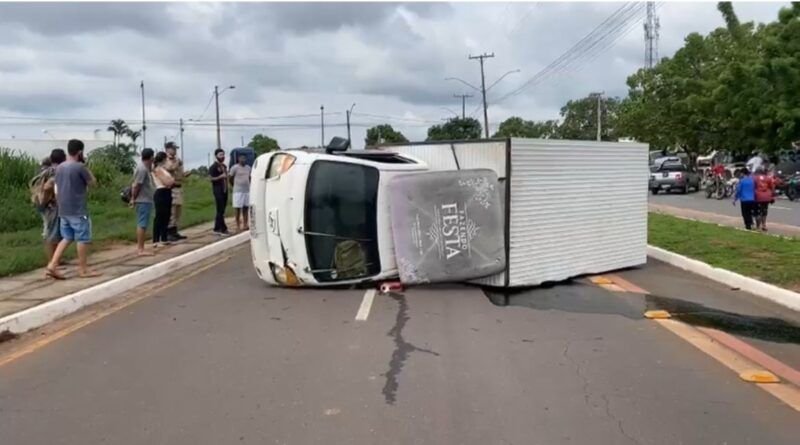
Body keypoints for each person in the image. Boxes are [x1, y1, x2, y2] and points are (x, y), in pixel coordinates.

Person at [45, 139, 100, 279]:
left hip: (63, 209)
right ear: (80, 152)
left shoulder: (59, 168)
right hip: (78, 209)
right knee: (83, 239)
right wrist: (86, 166)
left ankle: (52, 264)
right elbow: (93, 183)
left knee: (67, 237)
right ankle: (83, 270)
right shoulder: (80, 167)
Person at [30, 148, 65, 263]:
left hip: (43, 204)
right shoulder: (56, 171)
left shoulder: (45, 169)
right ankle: (52, 261)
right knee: (51, 233)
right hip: (50, 205)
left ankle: (56, 260)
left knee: (52, 231)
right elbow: (47, 186)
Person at [130, 148, 156, 256]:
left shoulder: (145, 168)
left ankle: (141, 247)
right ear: (151, 157)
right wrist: (133, 198)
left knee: (143, 224)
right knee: (142, 224)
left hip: (146, 199)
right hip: (143, 200)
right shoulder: (142, 169)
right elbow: (137, 185)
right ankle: (140, 249)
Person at [163, 141, 190, 241]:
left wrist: (185, 174)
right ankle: (169, 232)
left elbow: (179, 173)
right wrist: (176, 163)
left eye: (175, 149)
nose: (175, 150)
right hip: (171, 188)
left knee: (178, 212)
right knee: (172, 212)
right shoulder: (165, 159)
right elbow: (169, 169)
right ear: (167, 149)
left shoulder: (177, 160)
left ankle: (175, 231)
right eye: (173, 148)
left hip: (179, 186)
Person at [152, 151, 176, 246]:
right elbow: (167, 182)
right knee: (159, 216)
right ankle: (156, 239)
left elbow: (172, 181)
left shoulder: (164, 170)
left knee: (167, 215)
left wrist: (171, 181)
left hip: (167, 192)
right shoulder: (157, 169)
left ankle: (164, 237)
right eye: (166, 159)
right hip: (161, 192)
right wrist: (171, 181)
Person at [228, 154, 251, 231]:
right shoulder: (235, 168)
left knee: (245, 208)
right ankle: (237, 225)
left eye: (244, 158)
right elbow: (230, 178)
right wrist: (233, 185)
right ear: (238, 159)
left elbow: (250, 177)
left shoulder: (248, 168)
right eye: (242, 158)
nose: (243, 160)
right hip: (238, 191)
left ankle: (245, 224)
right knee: (237, 208)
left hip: (246, 190)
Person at [209, 148, 229, 235]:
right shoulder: (213, 167)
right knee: (220, 209)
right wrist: (220, 177)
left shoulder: (224, 166)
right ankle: (222, 228)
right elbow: (211, 178)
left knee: (222, 210)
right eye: (220, 155)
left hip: (224, 189)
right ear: (216, 156)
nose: (222, 156)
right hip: (218, 190)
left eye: (223, 155)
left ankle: (217, 227)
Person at [753, 166, 775, 232]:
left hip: (758, 197)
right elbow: (772, 187)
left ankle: (758, 227)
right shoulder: (768, 178)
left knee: (758, 212)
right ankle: (764, 225)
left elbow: (752, 187)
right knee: (764, 211)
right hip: (766, 197)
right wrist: (772, 196)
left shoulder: (754, 178)